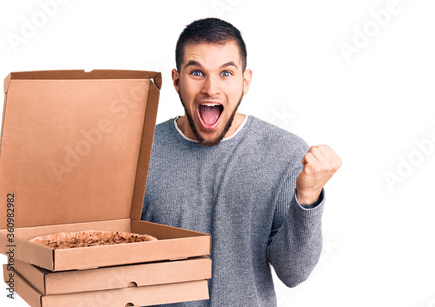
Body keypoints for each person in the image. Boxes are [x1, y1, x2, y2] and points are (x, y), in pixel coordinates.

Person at [142, 17, 341, 306]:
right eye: (197, 73)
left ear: (245, 81)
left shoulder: (284, 153)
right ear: (176, 80)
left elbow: (293, 272)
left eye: (226, 73)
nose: (211, 88)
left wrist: (308, 197)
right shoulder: (142, 152)